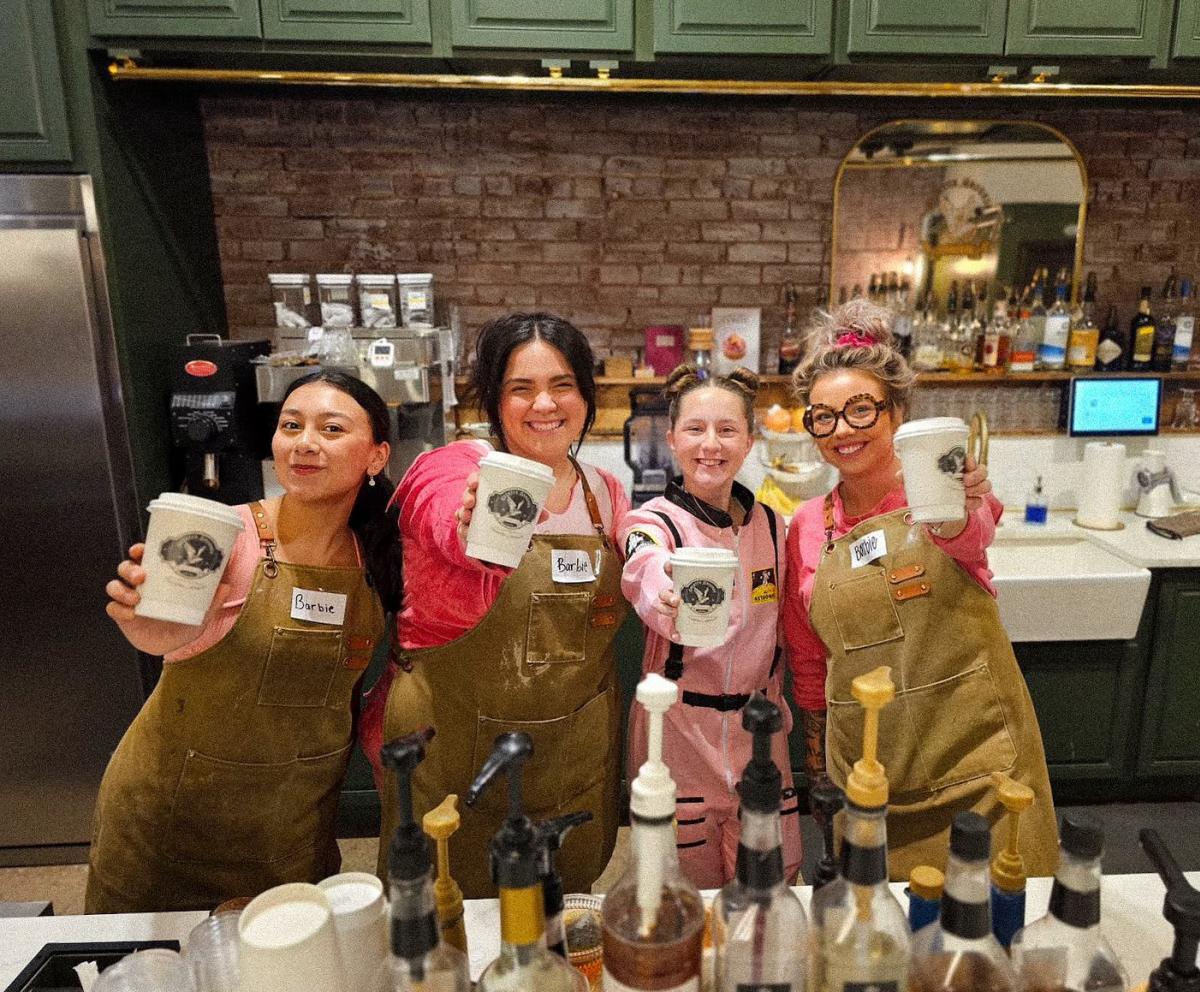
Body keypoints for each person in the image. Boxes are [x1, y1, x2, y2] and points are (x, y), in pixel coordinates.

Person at [86, 371, 398, 913]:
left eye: (331, 428)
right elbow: (165, 631)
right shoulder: (224, 538)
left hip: (292, 834)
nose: (304, 442)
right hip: (173, 827)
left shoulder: (374, 558)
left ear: (376, 456)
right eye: (291, 426)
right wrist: (153, 628)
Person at [783, 298, 1058, 881]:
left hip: (979, 763)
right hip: (866, 771)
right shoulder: (807, 526)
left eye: (861, 410)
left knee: (991, 933)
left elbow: (969, 537)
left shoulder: (941, 497)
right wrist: (816, 770)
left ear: (897, 410)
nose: (842, 431)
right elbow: (809, 660)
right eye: (822, 416)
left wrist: (960, 506)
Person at [362, 312, 629, 897]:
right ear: (492, 397)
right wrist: (474, 527)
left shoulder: (605, 493)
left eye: (562, 385)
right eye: (520, 388)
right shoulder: (454, 469)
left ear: (586, 394)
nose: (544, 404)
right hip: (455, 761)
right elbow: (448, 520)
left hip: (569, 764)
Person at [619, 366, 802, 889]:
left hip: (761, 740)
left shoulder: (771, 525)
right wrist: (663, 589)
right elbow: (643, 563)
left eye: (727, 430)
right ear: (673, 438)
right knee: (682, 892)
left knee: (770, 884)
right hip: (678, 738)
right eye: (695, 429)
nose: (711, 445)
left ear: (749, 441)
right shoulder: (652, 521)